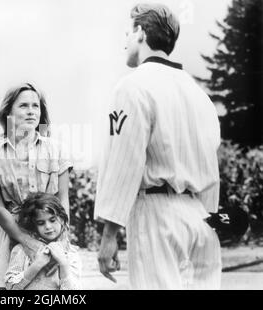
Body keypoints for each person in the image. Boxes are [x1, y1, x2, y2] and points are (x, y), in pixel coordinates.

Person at [95, 3, 222, 290]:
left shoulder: (132, 86)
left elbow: (124, 162)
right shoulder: (199, 95)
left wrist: (109, 233)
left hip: (157, 215)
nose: (125, 40)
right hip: (201, 219)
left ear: (140, 33)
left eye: (128, 32)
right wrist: (212, 221)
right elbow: (210, 167)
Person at [0, 82, 73, 289]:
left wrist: (60, 243)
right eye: (23, 106)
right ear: (8, 111)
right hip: (10, 234)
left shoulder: (57, 150)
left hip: (51, 231)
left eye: (35, 106)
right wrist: (26, 242)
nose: (31, 112)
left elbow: (63, 201)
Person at [5, 192, 81, 290]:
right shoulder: (21, 250)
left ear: (62, 219)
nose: (48, 227)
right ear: (34, 225)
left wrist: (63, 263)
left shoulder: (71, 253)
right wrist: (36, 265)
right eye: (41, 223)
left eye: (52, 220)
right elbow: (10, 287)